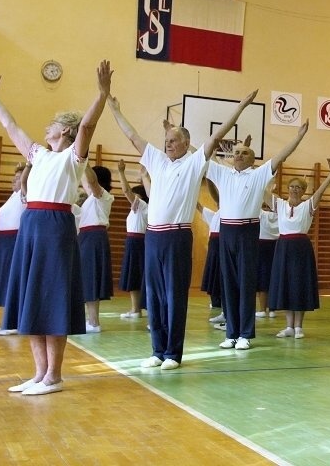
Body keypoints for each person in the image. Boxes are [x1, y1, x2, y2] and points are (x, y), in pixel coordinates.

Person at [0, 60, 112, 395]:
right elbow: (10, 125)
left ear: (65, 131)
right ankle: (39, 373)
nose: (45, 127)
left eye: (52, 124)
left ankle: (54, 375)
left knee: (52, 298)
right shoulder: (37, 155)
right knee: (32, 297)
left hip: (55, 226)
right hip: (31, 225)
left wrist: (102, 95)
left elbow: (87, 127)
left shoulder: (73, 158)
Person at [108, 89, 258, 370]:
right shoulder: (156, 160)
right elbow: (132, 136)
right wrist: (114, 108)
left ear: (186, 143)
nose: (168, 144)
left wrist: (239, 108)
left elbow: (216, 136)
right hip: (153, 236)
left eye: (174, 140)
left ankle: (172, 354)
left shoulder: (193, 163)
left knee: (174, 295)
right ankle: (157, 350)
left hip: (177, 236)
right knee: (154, 295)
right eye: (166, 140)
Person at [207, 122, 308, 351]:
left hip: (247, 232)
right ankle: (231, 333)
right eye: (237, 152)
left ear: (253, 159)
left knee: (245, 284)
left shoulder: (258, 175)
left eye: (245, 153)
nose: (239, 155)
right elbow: (197, 155)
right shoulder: (222, 172)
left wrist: (298, 137)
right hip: (226, 232)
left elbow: (281, 155)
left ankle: (245, 334)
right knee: (228, 283)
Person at [268, 158, 330, 339]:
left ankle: (299, 327)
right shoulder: (279, 204)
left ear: (303, 191)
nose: (295, 189)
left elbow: (321, 190)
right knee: (286, 285)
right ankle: (289, 327)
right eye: (292, 187)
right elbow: (261, 189)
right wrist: (266, 174)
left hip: (301, 249)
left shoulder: (308, 205)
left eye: (299, 187)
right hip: (283, 248)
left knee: (298, 285)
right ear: (288, 189)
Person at [0, 163, 28, 335]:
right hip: (4, 243)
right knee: (5, 281)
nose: (13, 180)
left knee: (12, 281)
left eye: (18, 178)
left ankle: (14, 324)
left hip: (14, 242)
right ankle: (8, 322)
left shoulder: (26, 194)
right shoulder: (13, 196)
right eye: (14, 177)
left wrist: (28, 167)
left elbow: (25, 183)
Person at [78, 164, 115, 333]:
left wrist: (84, 161)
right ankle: (91, 320)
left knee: (91, 277)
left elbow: (91, 181)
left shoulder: (103, 195)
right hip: (86, 237)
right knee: (86, 277)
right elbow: (85, 181)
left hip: (93, 237)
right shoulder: (91, 198)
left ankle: (94, 322)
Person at [116, 159, 148, 319]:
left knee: (138, 275)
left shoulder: (142, 206)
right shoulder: (137, 209)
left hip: (137, 243)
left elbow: (126, 191)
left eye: (136, 195)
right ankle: (136, 309)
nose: (132, 197)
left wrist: (121, 172)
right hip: (133, 242)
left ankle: (139, 309)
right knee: (134, 275)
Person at [256, 196, 279, 319]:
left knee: (262, 279)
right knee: (273, 278)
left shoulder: (261, 215)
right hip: (277, 247)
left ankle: (262, 309)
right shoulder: (280, 216)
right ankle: (272, 309)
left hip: (261, 248)